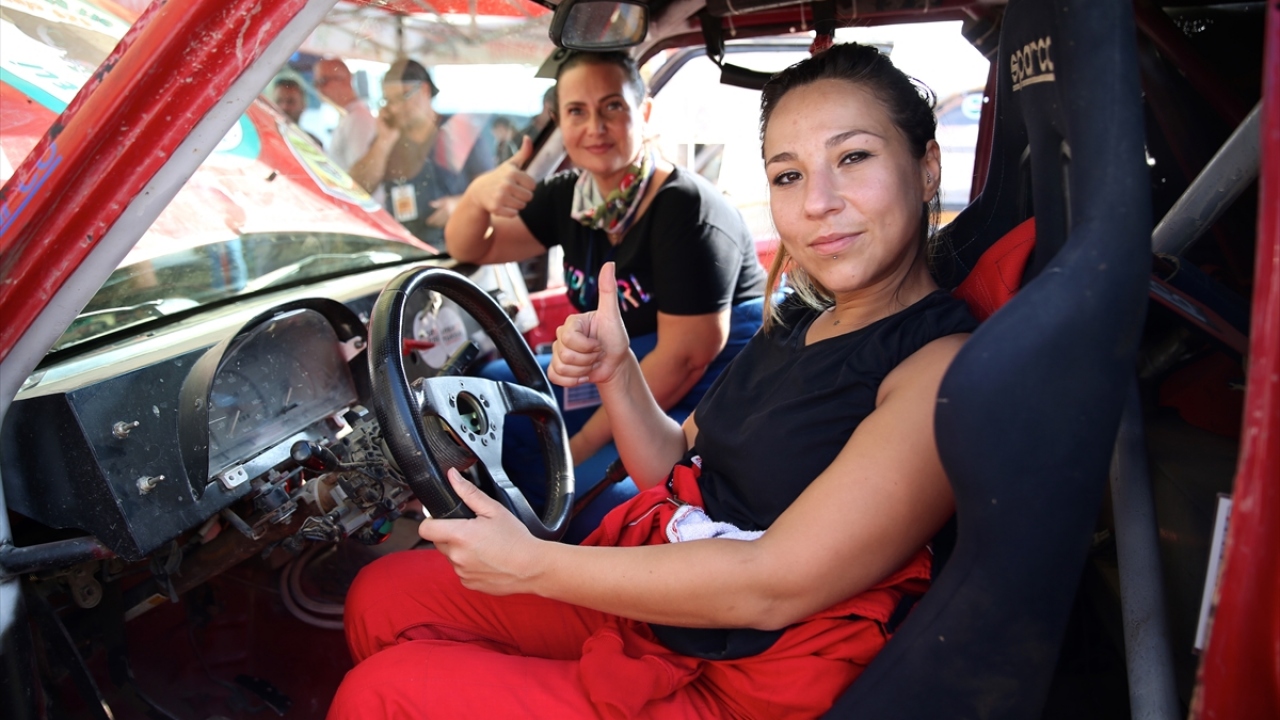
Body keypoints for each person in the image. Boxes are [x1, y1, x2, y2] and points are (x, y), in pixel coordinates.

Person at [329, 43, 979, 718]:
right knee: (380, 597)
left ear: (927, 167)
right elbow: (672, 460)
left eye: (853, 158)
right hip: (673, 599)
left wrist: (534, 565)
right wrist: (616, 371)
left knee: (380, 693)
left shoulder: (938, 369)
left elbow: (773, 584)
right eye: (787, 176)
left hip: (736, 669)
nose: (818, 202)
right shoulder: (800, 323)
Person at [445, 52, 767, 539]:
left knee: (616, 495)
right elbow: (471, 245)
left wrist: (580, 446)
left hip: (708, 384)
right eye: (577, 111)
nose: (595, 126)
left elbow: (687, 358)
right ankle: (533, 525)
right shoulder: (571, 198)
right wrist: (476, 197)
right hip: (622, 362)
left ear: (646, 114)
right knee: (493, 388)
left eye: (613, 106)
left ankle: (567, 546)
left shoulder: (686, 209)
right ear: (560, 120)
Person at [349, 58, 495, 246]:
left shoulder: (457, 131)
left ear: (425, 90)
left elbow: (491, 189)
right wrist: (383, 142)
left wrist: (460, 205)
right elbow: (358, 188)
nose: (395, 108)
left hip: (458, 245)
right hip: (407, 249)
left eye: (402, 97)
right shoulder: (388, 136)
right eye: (389, 100)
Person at [312, 57, 379, 173]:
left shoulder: (358, 119)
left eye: (323, 81)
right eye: (316, 83)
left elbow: (361, 173)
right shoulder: (351, 116)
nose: (319, 88)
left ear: (346, 80)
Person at [271, 77, 321, 145]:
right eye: (279, 101)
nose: (284, 107)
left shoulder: (312, 144)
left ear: (303, 105)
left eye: (290, 101)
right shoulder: (262, 137)